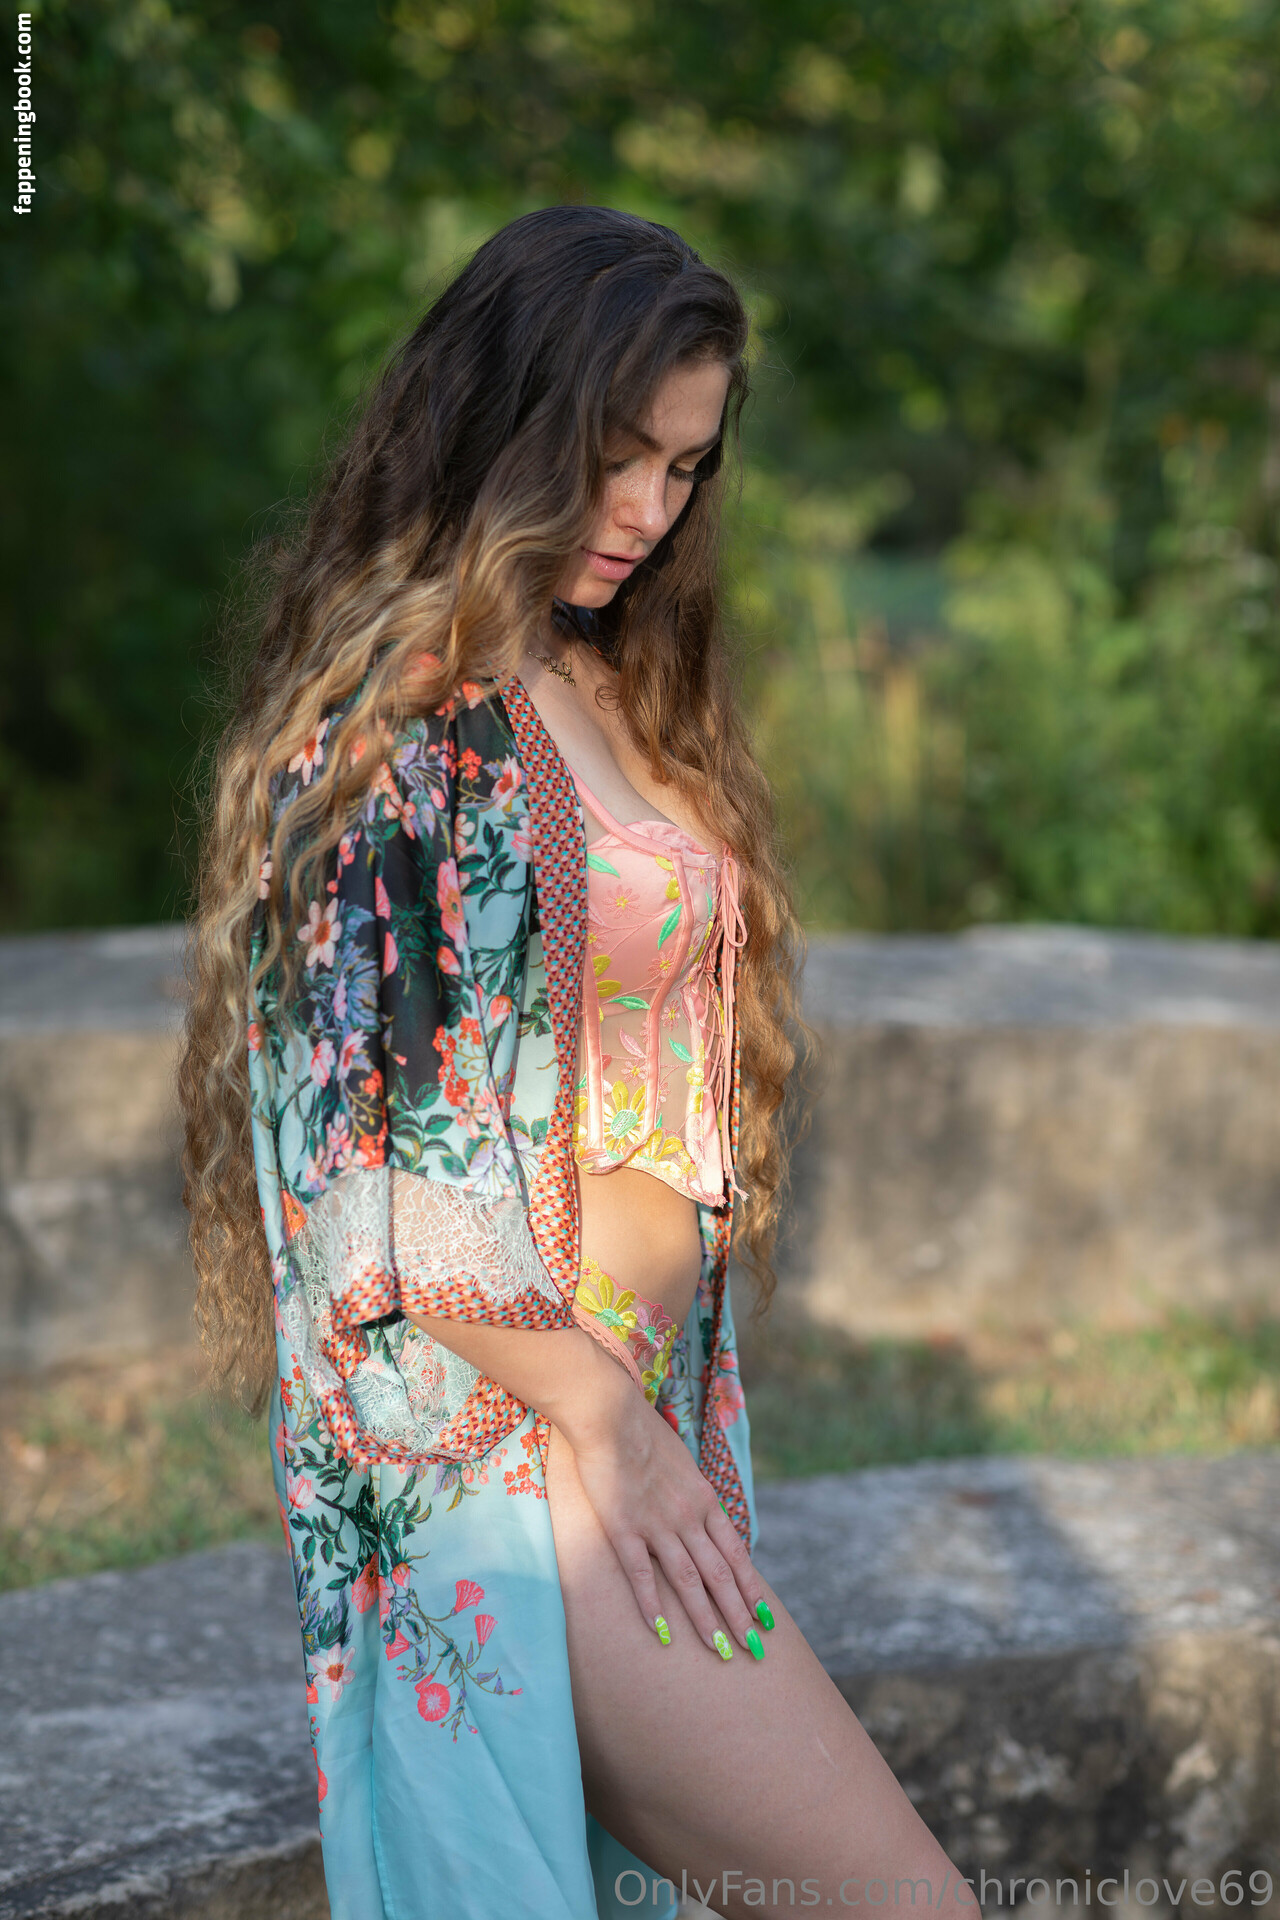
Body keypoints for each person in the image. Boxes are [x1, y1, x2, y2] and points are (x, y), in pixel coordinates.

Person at [179, 206, 973, 1920]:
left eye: (685, 468)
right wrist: (607, 1420)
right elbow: (367, 1179)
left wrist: (650, 1412)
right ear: (505, 420)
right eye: (616, 457)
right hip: (516, 1453)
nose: (648, 509)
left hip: (636, 1418)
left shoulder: (602, 678)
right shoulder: (387, 735)